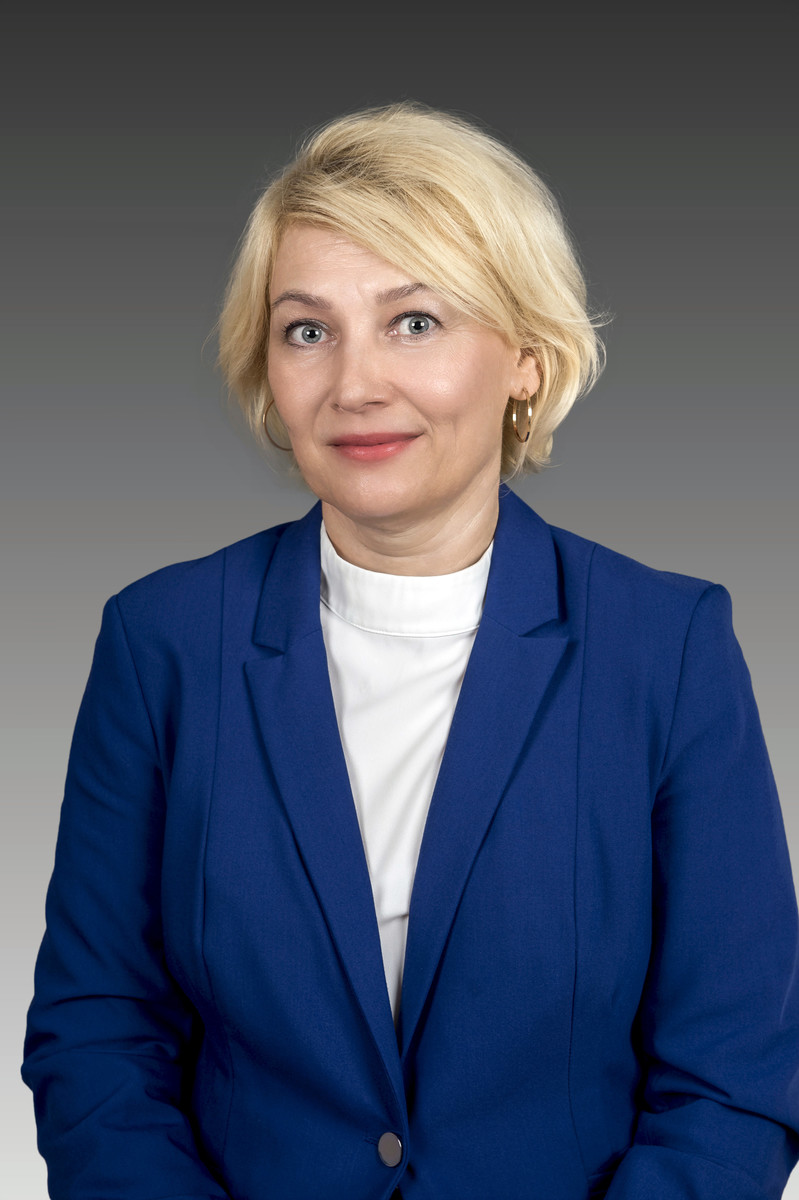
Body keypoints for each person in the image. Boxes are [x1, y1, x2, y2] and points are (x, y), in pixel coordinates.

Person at [22, 102, 799, 1200]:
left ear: (525, 358)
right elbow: (97, 1036)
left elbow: (736, 1074)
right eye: (307, 331)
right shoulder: (163, 645)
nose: (354, 385)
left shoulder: (666, 650)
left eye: (415, 321)